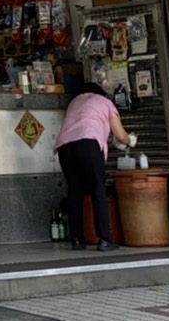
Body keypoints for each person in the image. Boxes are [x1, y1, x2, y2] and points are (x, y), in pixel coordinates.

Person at [54, 82, 135, 251]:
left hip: (65, 147)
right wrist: (130, 141)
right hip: (88, 142)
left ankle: (77, 239)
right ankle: (105, 239)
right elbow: (120, 135)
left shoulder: (75, 102)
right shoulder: (105, 102)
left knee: (75, 190)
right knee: (98, 188)